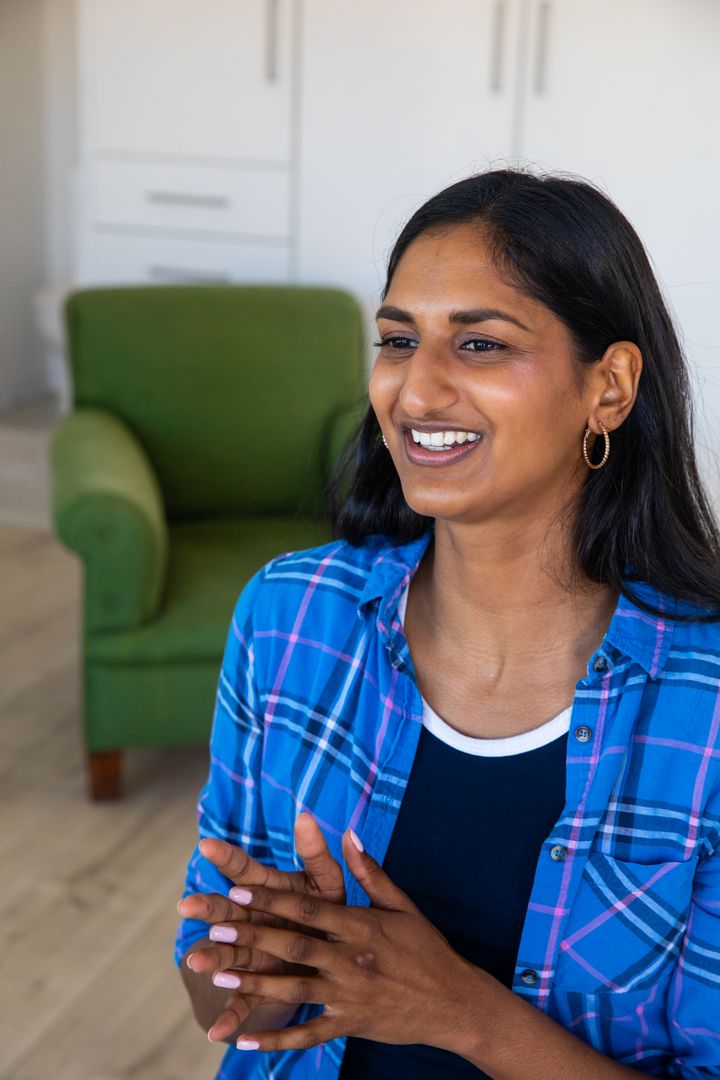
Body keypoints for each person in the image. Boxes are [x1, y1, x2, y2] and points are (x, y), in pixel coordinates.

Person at [174, 167, 720, 1080]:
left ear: (611, 388)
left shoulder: (702, 707)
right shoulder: (290, 616)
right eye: (398, 339)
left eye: (479, 345)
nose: (416, 392)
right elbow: (226, 1004)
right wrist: (255, 973)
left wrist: (459, 1012)